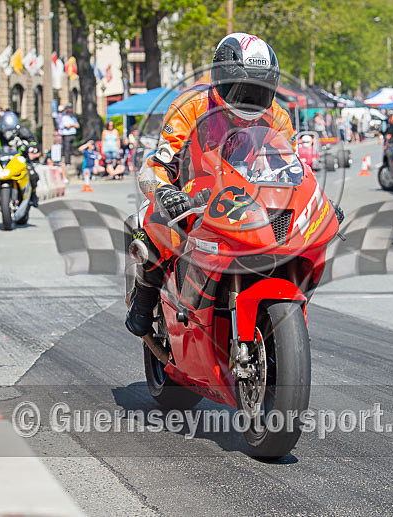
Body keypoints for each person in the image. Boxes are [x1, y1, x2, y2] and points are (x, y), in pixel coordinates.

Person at [125, 32, 295, 337]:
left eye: (259, 92)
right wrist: (165, 192)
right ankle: (143, 297)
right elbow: (156, 164)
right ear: (219, 80)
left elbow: (295, 170)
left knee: (297, 242)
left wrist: (317, 201)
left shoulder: (278, 117)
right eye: (240, 90)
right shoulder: (189, 107)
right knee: (150, 227)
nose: (249, 101)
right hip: (192, 202)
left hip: (252, 204)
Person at [0, 111, 41, 226]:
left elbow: (34, 143)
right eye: (6, 130)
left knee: (33, 175)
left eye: (10, 130)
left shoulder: (23, 131)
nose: (8, 134)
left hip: (20, 160)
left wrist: (30, 147)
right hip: (2, 161)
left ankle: (33, 196)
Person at [58, 104, 78, 183]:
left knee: (71, 149)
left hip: (72, 134)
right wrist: (72, 125)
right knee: (66, 149)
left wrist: (72, 125)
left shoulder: (73, 117)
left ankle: (70, 161)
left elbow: (77, 125)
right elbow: (67, 126)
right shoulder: (64, 117)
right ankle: (67, 162)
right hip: (66, 135)